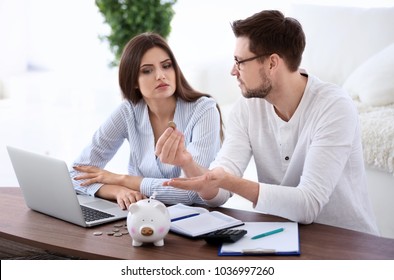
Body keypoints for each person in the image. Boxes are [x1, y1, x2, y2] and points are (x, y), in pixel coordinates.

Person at [156, 10, 379, 235]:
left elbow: (308, 204)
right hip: (280, 235)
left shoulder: (334, 107)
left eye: (239, 61)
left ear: (272, 63)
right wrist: (188, 164)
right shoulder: (247, 108)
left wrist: (230, 182)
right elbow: (220, 188)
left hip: (347, 243)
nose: (233, 71)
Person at [70, 32, 223, 210]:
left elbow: (190, 191)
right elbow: (76, 174)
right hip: (142, 215)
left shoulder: (204, 110)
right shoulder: (128, 111)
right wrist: (117, 190)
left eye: (166, 66)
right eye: (147, 70)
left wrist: (122, 179)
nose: (160, 75)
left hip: (198, 220)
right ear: (133, 81)